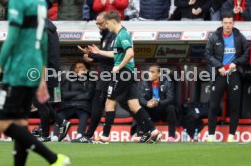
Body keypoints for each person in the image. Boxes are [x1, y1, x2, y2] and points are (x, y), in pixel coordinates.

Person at [0, 0, 70, 165]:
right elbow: (43, 42)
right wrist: (42, 77)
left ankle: (54, 158)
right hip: (34, 67)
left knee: (2, 123)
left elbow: (12, 38)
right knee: (20, 123)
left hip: (18, 70)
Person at [88, 10, 161, 144]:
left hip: (123, 74)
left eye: (107, 23)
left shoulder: (123, 34)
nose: (106, 26)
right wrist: (99, 52)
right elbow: (117, 54)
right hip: (129, 74)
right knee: (134, 105)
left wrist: (118, 67)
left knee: (109, 103)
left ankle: (104, 137)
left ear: (113, 22)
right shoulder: (119, 35)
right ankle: (153, 131)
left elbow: (130, 53)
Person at [205, 13, 250, 142]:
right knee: (213, 105)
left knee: (234, 106)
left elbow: (247, 53)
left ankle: (231, 136)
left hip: (234, 73)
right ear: (222, 23)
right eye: (225, 23)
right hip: (220, 74)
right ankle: (211, 136)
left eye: (230, 23)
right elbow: (208, 54)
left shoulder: (239, 37)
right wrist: (219, 67)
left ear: (233, 24)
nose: (227, 25)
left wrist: (235, 63)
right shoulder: (214, 37)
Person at [74, 12, 116, 143]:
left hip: (109, 76)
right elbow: (104, 58)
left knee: (99, 106)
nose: (98, 26)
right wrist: (91, 55)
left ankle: (90, 136)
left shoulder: (113, 35)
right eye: (97, 23)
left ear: (108, 22)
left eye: (101, 23)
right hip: (104, 75)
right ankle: (90, 136)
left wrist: (93, 55)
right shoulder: (106, 36)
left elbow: (111, 56)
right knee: (129, 105)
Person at [32, 20, 71, 143]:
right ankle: (61, 123)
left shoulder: (42, 29)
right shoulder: (48, 28)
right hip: (49, 70)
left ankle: (45, 134)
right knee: (42, 102)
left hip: (44, 71)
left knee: (39, 102)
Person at [53, 61, 95, 141]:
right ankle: (55, 136)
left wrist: (72, 95)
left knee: (84, 114)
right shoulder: (68, 80)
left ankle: (80, 135)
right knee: (59, 114)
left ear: (87, 70)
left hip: (83, 107)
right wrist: (80, 92)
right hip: (68, 106)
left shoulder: (91, 80)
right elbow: (64, 95)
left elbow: (88, 96)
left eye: (81, 67)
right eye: (76, 67)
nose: (78, 69)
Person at [138, 64, 177, 142]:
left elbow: (170, 98)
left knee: (171, 108)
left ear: (159, 74)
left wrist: (158, 103)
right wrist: (147, 103)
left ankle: (171, 136)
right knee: (139, 108)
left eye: (152, 72)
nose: (149, 74)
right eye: (149, 71)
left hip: (163, 111)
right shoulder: (144, 82)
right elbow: (140, 97)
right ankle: (140, 135)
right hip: (151, 111)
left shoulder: (167, 82)